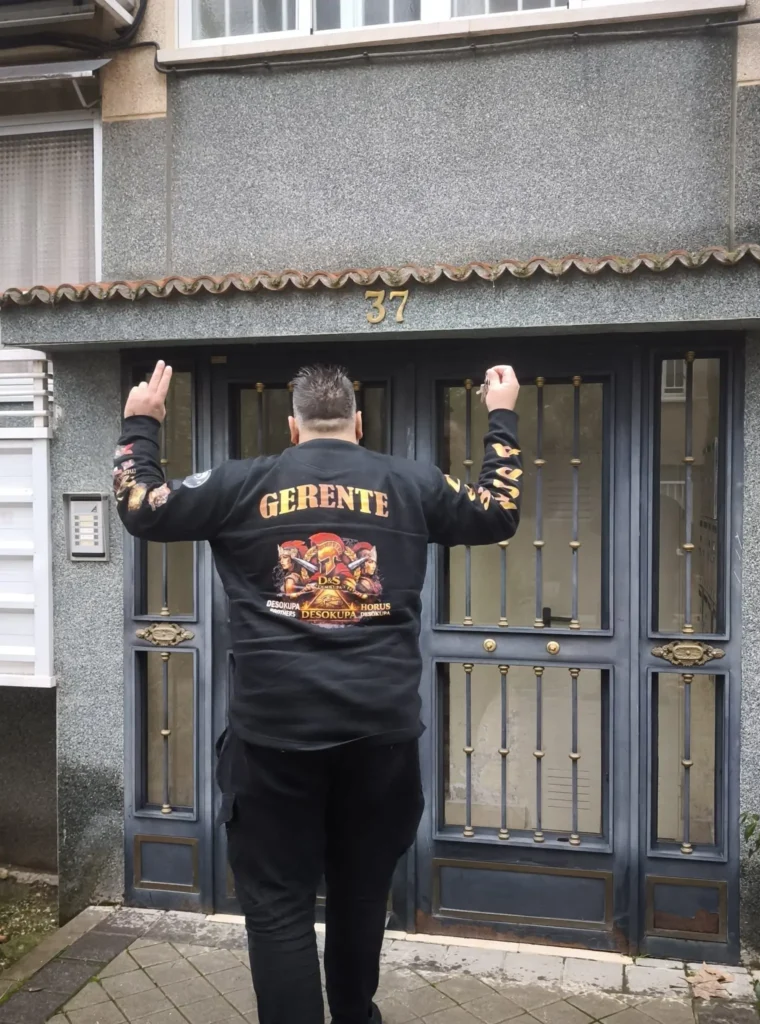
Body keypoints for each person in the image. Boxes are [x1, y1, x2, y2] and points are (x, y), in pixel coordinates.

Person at [115, 361, 523, 1024]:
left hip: (274, 739)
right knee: (361, 896)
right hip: (381, 738)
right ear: (359, 424)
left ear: (292, 426)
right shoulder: (410, 482)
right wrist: (500, 415)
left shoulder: (241, 483)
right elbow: (499, 511)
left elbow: (139, 506)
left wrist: (143, 423)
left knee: (279, 907)